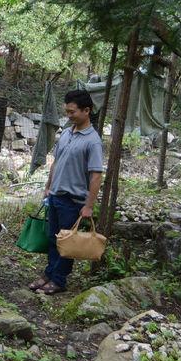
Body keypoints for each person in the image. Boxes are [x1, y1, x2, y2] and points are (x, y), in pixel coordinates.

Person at [29, 89, 104, 295]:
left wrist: (89, 205)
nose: (69, 116)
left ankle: (59, 280)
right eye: (67, 112)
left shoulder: (93, 141)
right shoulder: (67, 133)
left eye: (72, 112)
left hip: (73, 200)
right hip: (55, 195)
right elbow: (56, 162)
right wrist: (48, 186)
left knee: (66, 243)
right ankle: (49, 273)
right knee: (53, 238)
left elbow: (96, 175)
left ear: (86, 111)